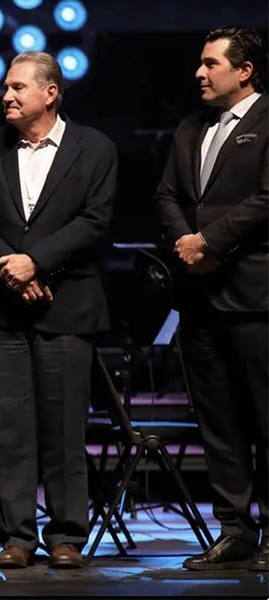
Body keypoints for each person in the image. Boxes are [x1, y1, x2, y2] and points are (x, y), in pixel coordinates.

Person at [0, 51, 117, 569]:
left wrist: (37, 263)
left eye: (17, 87)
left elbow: (94, 223)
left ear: (50, 93)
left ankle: (67, 535)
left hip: (66, 304)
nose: (6, 96)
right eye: (6, 88)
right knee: (8, 428)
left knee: (65, 428)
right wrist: (13, 269)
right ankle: (16, 537)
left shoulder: (95, 148)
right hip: (2, 307)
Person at [154, 26, 268, 572]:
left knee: (266, 418)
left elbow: (268, 198)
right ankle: (235, 530)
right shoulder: (190, 126)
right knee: (217, 422)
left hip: (254, 293)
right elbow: (167, 194)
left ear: (244, 70)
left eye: (210, 64)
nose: (200, 73)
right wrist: (187, 245)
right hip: (199, 294)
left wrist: (212, 241)